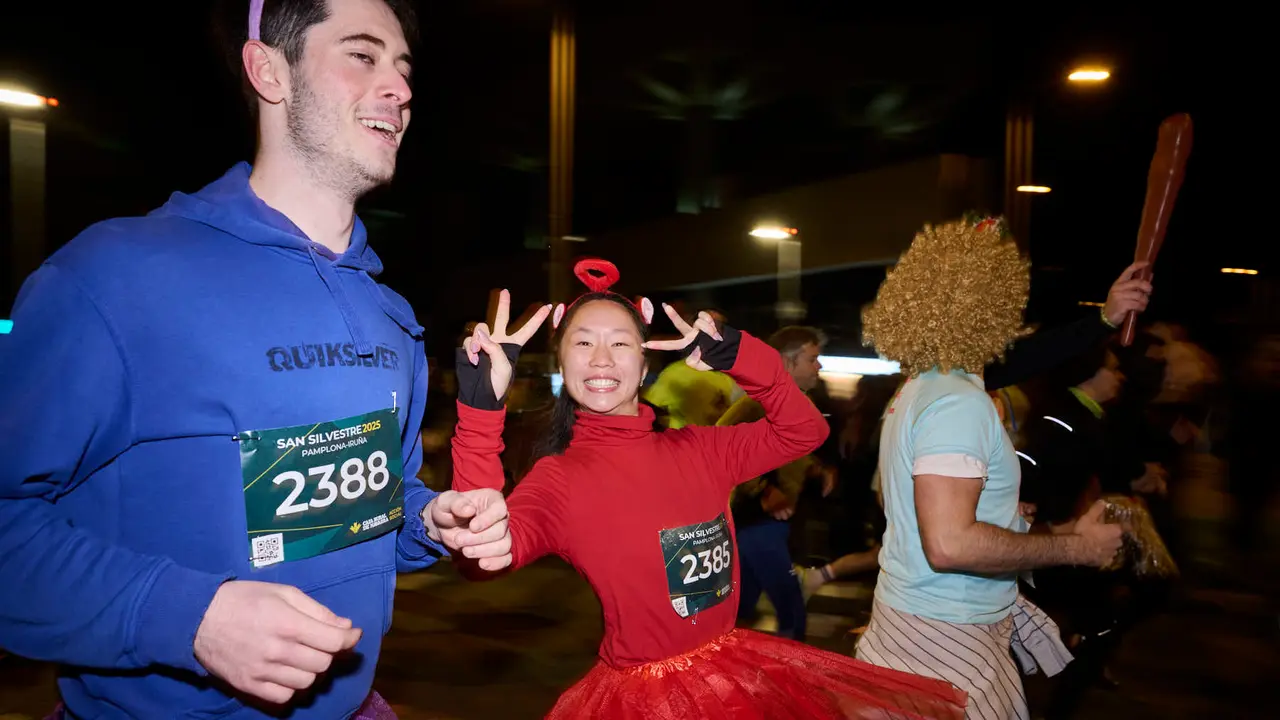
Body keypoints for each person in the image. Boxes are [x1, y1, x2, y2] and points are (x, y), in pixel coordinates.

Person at [0, 1, 512, 717]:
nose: (399, 88)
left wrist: (430, 522)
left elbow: (364, 512)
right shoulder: (114, 278)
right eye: (362, 56)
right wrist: (190, 617)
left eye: (403, 68)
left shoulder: (390, 318)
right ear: (268, 69)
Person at [447, 259, 967, 719]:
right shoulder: (559, 480)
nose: (601, 358)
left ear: (645, 363)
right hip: (644, 700)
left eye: (620, 342)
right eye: (583, 342)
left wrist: (740, 355)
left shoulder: (700, 449)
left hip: (735, 672)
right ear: (564, 364)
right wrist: (479, 415)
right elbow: (480, 555)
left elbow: (805, 432)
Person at [853, 217, 1127, 720]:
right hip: (946, 635)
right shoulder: (959, 402)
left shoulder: (921, 389)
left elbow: (925, 516)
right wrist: (1078, 547)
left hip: (918, 621)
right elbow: (950, 544)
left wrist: (1010, 517)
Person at [718, 326, 834, 639]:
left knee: (737, 613)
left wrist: (815, 468)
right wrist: (764, 490)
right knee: (791, 611)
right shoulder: (754, 405)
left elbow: (783, 451)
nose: (818, 366)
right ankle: (790, 683)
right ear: (785, 363)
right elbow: (719, 453)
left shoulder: (790, 405)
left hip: (767, 525)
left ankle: (721, 675)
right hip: (756, 524)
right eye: (812, 359)